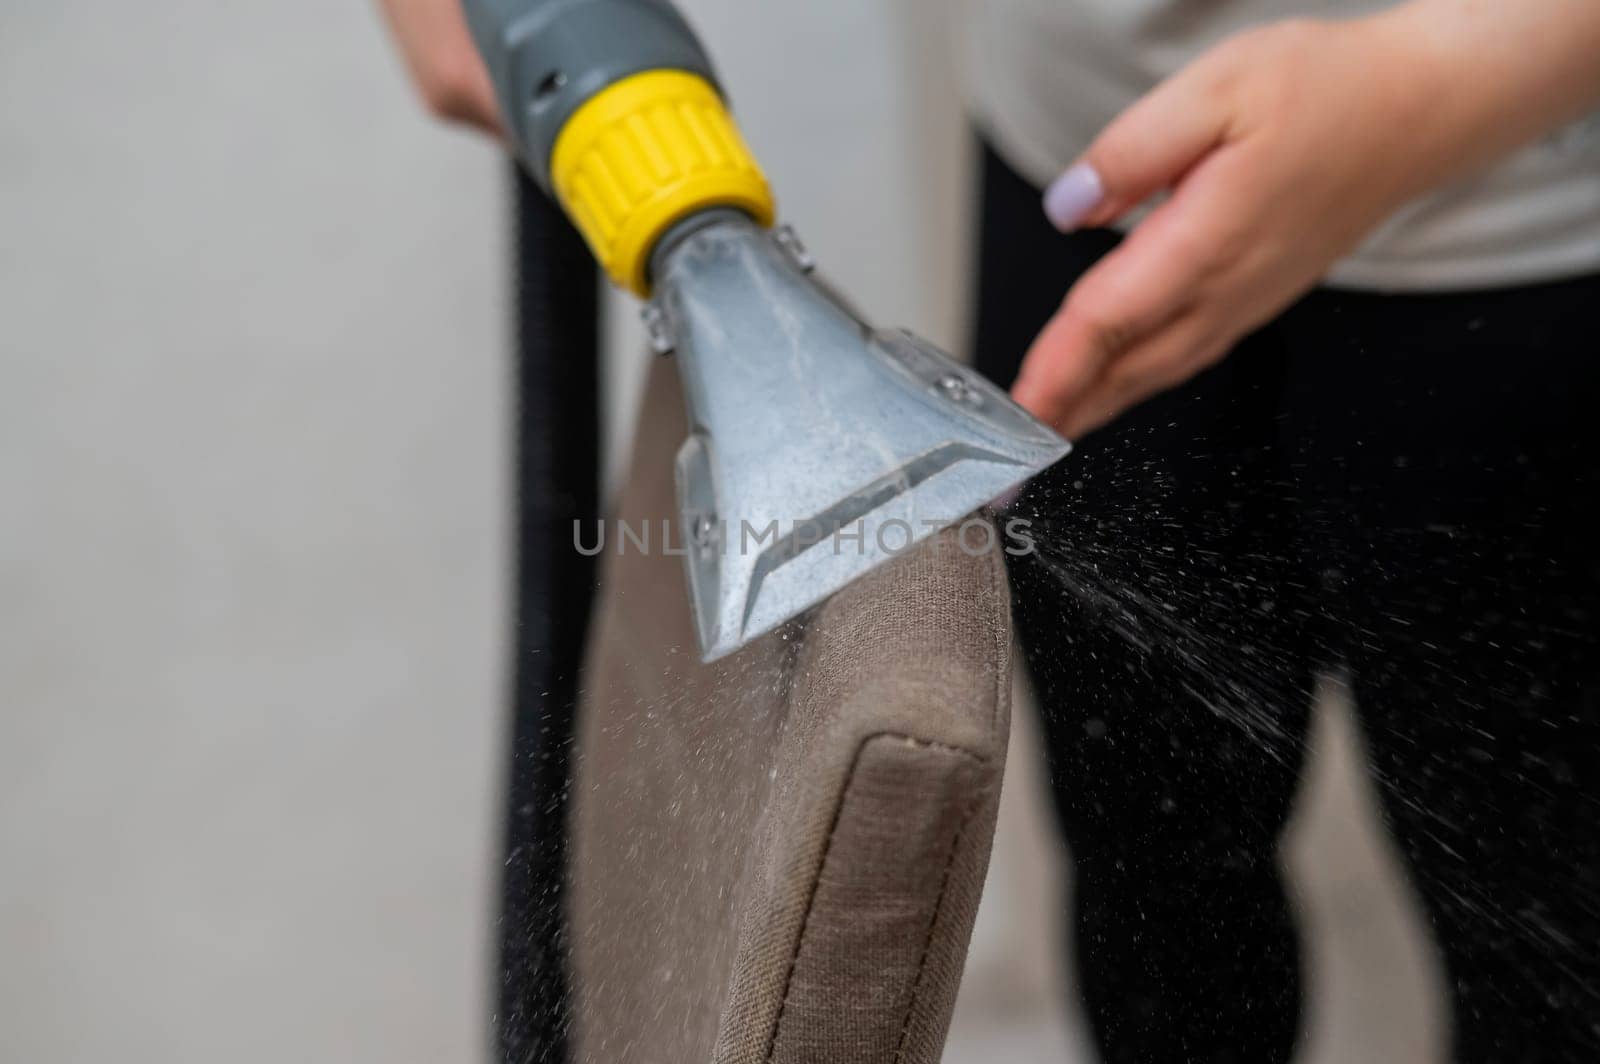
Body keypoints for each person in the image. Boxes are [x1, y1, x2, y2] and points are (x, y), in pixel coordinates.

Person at [379, 1, 1600, 1059]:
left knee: (1540, 917)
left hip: (1527, 212)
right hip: (1075, 144)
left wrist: (1457, 75)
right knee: (1150, 865)